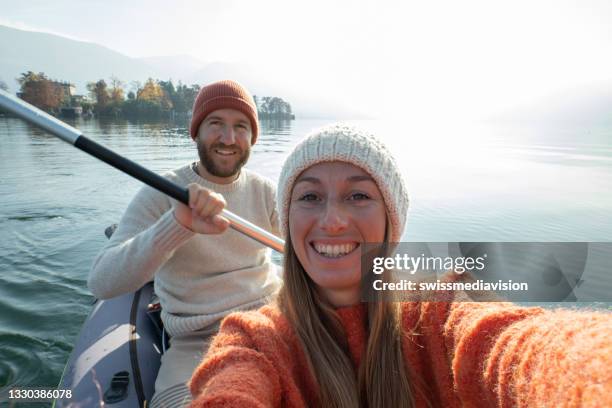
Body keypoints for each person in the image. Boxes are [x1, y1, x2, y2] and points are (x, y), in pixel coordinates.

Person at [188, 123, 612, 407]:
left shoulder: (439, 315)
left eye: (359, 196)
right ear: (288, 217)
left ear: (393, 221)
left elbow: (522, 351)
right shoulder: (254, 339)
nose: (332, 220)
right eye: (310, 197)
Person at [87, 80, 281, 407]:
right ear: (196, 131)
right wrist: (176, 226)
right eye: (215, 124)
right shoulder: (162, 191)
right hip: (198, 341)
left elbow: (312, 247)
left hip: (270, 321)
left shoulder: (266, 192)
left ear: (252, 137)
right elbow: (101, 282)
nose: (228, 138)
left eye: (241, 127)